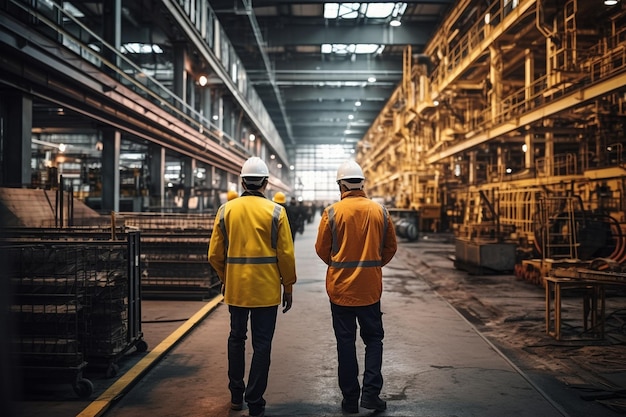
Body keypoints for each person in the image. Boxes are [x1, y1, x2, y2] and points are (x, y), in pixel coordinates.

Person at [208, 157, 297, 417]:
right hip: (267, 290)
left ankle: (236, 395)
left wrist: (226, 278)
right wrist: (288, 287)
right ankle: (255, 400)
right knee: (262, 344)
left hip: (236, 289)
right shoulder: (277, 212)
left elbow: (214, 254)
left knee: (236, 339)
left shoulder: (226, 210)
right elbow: (286, 255)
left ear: (242, 181)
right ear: (266, 183)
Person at [315, 160, 397, 414]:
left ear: (341, 185)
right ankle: (371, 395)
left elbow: (321, 249)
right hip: (370, 290)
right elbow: (390, 247)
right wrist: (372, 266)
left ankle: (350, 400)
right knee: (374, 341)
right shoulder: (380, 211)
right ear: (362, 183)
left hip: (340, 291)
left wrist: (338, 264)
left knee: (345, 343)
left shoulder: (331, 213)